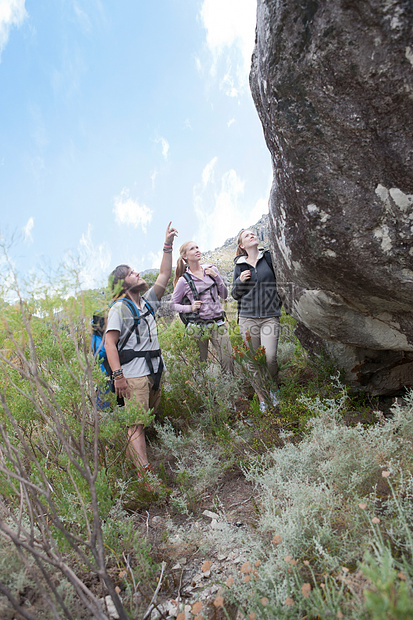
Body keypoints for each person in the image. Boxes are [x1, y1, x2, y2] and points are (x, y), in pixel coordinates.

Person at [105, 222, 178, 478]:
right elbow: (109, 343)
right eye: (132, 272)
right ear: (122, 284)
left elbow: (164, 275)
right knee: (136, 425)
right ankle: (145, 477)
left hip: (155, 371)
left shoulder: (147, 303)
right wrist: (118, 376)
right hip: (133, 376)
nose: (137, 274)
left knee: (144, 421)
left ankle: (136, 465)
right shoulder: (119, 309)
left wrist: (167, 245)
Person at [231, 229, 282, 408]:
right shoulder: (239, 266)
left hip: (270, 317)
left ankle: (274, 390)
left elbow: (280, 282)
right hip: (247, 318)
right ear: (242, 245)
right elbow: (235, 294)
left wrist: (278, 305)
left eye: (253, 233)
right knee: (253, 362)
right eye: (247, 235)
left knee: (270, 358)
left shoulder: (268, 258)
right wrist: (240, 281)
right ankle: (262, 399)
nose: (252, 235)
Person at [170, 241, 234, 374]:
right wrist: (190, 308)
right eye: (192, 249)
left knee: (228, 360)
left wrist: (216, 277)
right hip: (197, 327)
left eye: (197, 247)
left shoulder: (212, 269)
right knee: (200, 366)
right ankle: (206, 394)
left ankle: (230, 393)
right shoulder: (183, 280)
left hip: (218, 323)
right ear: (185, 256)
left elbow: (224, 295)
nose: (197, 250)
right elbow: (172, 304)